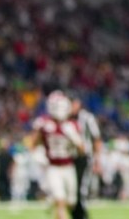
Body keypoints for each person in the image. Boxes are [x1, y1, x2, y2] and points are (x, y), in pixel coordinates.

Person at [26, 91, 85, 219]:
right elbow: (32, 144)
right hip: (52, 167)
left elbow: (82, 151)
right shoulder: (43, 124)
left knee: (71, 202)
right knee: (60, 200)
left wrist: (75, 138)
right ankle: (54, 201)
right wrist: (38, 155)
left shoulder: (72, 125)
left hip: (68, 167)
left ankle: (52, 202)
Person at [70, 97, 102, 219]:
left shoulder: (87, 118)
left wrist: (97, 160)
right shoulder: (64, 118)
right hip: (68, 158)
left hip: (84, 157)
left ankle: (81, 214)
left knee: (81, 187)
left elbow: (96, 139)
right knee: (71, 188)